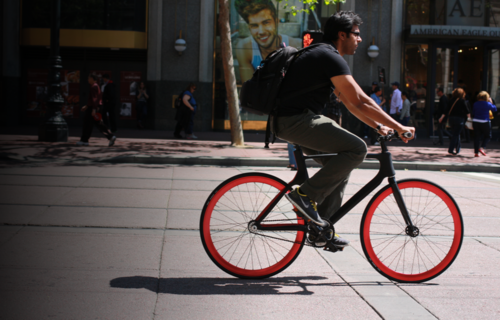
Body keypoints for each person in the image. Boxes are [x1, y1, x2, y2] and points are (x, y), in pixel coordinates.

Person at [271, 11, 414, 248]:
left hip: (289, 121)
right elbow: (361, 100)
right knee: (357, 149)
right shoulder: (329, 56)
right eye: (356, 34)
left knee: (342, 164)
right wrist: (399, 127)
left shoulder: (322, 54)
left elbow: (349, 102)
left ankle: (321, 229)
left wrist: (378, 126)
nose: (359, 39)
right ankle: (304, 196)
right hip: (295, 120)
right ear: (342, 34)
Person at [234, 0, 302, 83]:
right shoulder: (244, 48)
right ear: (249, 28)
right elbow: (250, 91)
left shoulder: (296, 45)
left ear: (276, 22)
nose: (261, 31)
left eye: (266, 23)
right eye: (254, 25)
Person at [77, 74, 116, 147]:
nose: (88, 80)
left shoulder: (94, 86)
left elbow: (95, 99)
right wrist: (87, 106)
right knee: (98, 124)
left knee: (87, 124)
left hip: (93, 108)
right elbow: (94, 99)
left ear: (92, 79)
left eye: (89, 78)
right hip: (94, 107)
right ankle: (111, 136)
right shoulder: (96, 86)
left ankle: (84, 140)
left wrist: (93, 109)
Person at [438, 88, 470, 156]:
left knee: (456, 133)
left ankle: (458, 149)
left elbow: (446, 110)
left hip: (451, 119)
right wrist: (469, 119)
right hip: (459, 119)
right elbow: (467, 111)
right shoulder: (462, 101)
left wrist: (441, 118)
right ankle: (451, 149)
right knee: (455, 134)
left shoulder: (451, 100)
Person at [472, 91, 497, 157]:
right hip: (485, 121)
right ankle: (482, 147)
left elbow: (473, 112)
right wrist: (491, 102)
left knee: (477, 137)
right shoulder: (487, 104)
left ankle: (476, 153)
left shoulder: (475, 104)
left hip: (476, 121)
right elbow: (494, 109)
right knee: (488, 136)